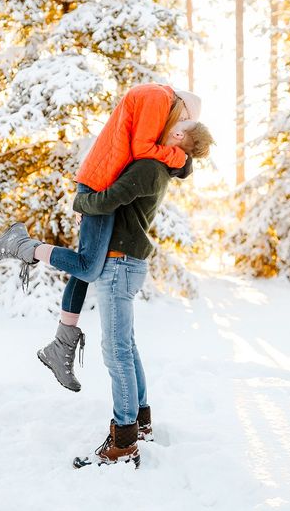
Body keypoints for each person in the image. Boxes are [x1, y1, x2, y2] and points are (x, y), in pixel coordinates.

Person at [0, 84, 201, 392]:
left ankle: (60, 345)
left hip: (105, 185)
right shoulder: (158, 97)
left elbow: (147, 151)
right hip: (101, 187)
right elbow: (142, 149)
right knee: (87, 266)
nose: (174, 136)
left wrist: (181, 162)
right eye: (180, 130)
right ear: (182, 112)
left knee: (86, 266)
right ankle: (22, 245)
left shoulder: (160, 103)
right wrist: (180, 160)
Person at [68, 119, 214, 468]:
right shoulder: (158, 166)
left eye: (177, 124)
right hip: (126, 263)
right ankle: (141, 421)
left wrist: (81, 205)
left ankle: (124, 439)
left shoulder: (149, 166)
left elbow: (109, 199)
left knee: (115, 351)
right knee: (126, 347)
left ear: (179, 137)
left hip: (119, 265)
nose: (168, 124)